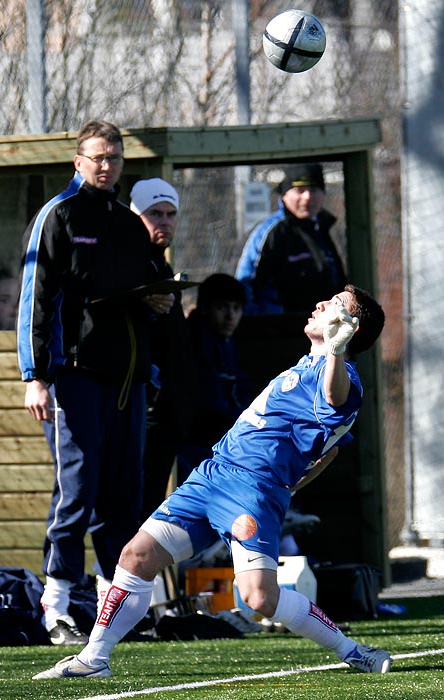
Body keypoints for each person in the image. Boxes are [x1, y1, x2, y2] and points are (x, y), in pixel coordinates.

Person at [33, 283, 392, 679]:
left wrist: (337, 353)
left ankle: (353, 651)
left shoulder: (343, 379)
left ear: (349, 328)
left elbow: (336, 400)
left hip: (250, 490)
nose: (321, 303)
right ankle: (93, 659)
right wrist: (295, 483)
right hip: (212, 474)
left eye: (336, 305)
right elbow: (332, 449)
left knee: (259, 598)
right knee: (136, 555)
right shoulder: (307, 365)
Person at [17, 120, 175, 645]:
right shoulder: (57, 216)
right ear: (78, 161)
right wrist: (35, 376)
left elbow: (141, 301)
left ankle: (115, 612)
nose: (105, 165)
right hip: (74, 378)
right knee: (76, 492)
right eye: (96, 157)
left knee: (121, 495)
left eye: (114, 157)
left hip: (126, 382)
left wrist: (157, 304)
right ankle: (56, 607)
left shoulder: (129, 225)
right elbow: (35, 301)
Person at [129, 177, 196, 520]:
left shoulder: (160, 263)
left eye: (171, 214)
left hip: (168, 406)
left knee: (155, 494)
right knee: (136, 495)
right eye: (155, 213)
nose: (165, 221)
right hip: (146, 405)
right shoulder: (128, 263)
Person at [235, 163, 347, 315]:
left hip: (322, 328)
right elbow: (245, 282)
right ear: (284, 194)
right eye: (300, 190)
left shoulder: (323, 230)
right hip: (280, 331)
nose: (307, 197)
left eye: (314, 190)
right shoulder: (271, 232)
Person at [177, 273, 251, 483]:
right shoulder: (196, 343)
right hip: (200, 437)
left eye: (236, 308)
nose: (230, 316)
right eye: (222, 307)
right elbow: (208, 400)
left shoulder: (226, 344)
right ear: (204, 308)